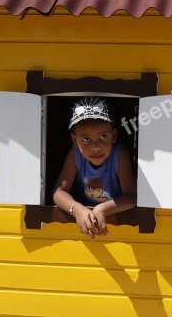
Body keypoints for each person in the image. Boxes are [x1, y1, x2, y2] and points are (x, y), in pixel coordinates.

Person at [52, 97, 136, 240]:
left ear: (114, 136)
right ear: (74, 140)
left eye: (103, 136)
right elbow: (59, 192)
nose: (96, 147)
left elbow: (131, 197)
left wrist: (102, 209)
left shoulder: (118, 154)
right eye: (86, 139)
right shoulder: (75, 154)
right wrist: (77, 209)